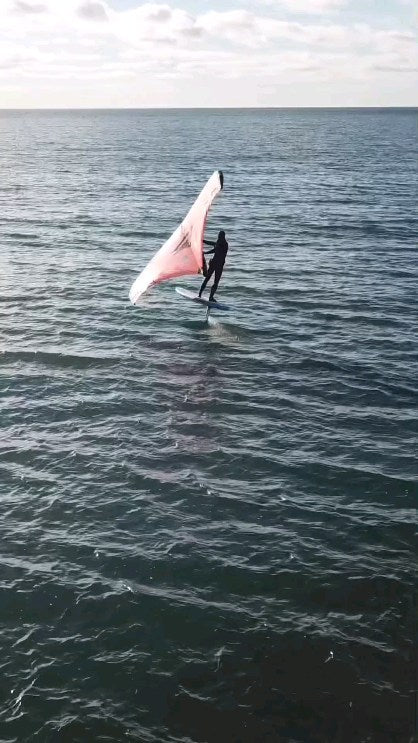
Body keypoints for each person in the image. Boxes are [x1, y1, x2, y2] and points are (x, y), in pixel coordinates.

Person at [199, 230, 228, 302]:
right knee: (207, 278)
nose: (219, 237)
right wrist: (203, 241)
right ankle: (200, 294)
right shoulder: (219, 243)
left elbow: (215, 249)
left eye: (220, 236)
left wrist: (206, 252)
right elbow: (212, 244)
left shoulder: (224, 244)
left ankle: (211, 297)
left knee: (215, 282)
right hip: (215, 264)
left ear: (223, 237)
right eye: (219, 236)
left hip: (218, 266)